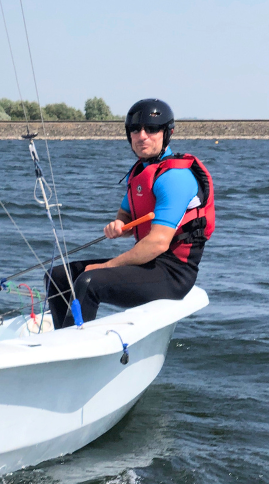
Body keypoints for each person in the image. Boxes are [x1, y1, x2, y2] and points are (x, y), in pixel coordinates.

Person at [46, 98, 215, 327]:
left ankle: (71, 351)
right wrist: (118, 225)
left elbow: (157, 243)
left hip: (173, 272)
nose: (142, 135)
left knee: (89, 281)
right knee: (57, 276)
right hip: (146, 263)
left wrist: (106, 267)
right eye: (135, 129)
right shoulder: (141, 172)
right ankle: (62, 337)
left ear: (167, 133)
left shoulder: (174, 178)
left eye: (152, 129)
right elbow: (126, 216)